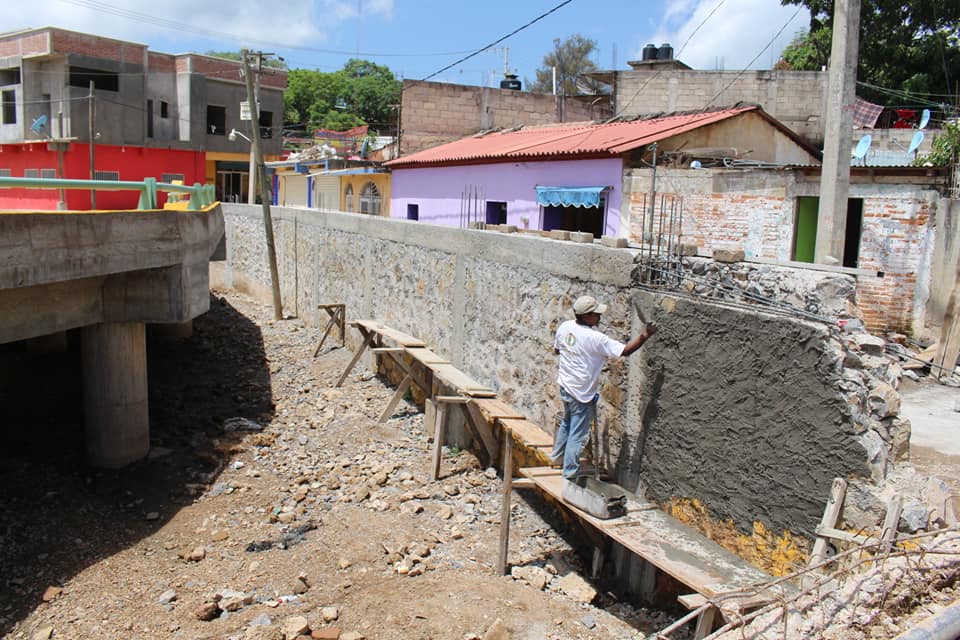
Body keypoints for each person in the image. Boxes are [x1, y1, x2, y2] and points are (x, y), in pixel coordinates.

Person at [552, 295, 657, 480]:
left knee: (567, 423)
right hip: (581, 394)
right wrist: (645, 335)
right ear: (586, 316)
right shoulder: (596, 338)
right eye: (596, 314)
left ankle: (557, 459)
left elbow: (557, 350)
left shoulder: (565, 327)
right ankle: (569, 474)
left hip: (566, 387)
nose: (600, 317)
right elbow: (624, 351)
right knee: (577, 434)